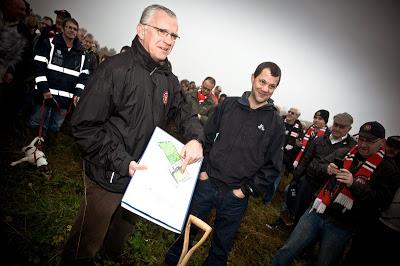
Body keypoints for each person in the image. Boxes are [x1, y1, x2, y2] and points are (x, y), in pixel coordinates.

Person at [61, 4, 204, 264]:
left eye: (173, 35)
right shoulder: (114, 70)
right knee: (84, 244)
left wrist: (195, 137)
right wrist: (121, 162)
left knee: (119, 234)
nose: (168, 40)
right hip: (108, 174)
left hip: (143, 179)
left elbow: (184, 109)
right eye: (162, 31)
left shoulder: (167, 77)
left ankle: (112, 255)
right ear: (141, 30)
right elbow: (83, 126)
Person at [165, 61, 285, 266]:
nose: (265, 89)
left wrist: (244, 190)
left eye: (271, 86)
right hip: (207, 184)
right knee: (185, 233)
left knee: (221, 248)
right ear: (252, 78)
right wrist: (203, 172)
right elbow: (206, 137)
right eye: (262, 81)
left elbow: (272, 167)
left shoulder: (275, 123)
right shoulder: (228, 105)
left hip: (235, 197)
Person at [271, 121, 400, 266]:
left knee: (325, 262)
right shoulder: (345, 152)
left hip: (343, 225)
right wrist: (326, 169)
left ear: (382, 142)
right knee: (288, 249)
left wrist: (354, 184)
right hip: (316, 211)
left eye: (369, 141)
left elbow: (381, 202)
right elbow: (314, 166)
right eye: (361, 139)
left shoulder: (389, 169)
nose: (363, 144)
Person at [343, 135, 400, 265]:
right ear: (384, 144)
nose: (392, 149)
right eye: (390, 145)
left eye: (397, 148)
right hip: (371, 219)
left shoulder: (393, 168)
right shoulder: (374, 160)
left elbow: (381, 198)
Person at [292, 112, 357, 223]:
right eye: (336, 124)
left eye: (342, 127)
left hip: (327, 189)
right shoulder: (320, 139)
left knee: (314, 216)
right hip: (309, 182)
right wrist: (296, 178)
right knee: (299, 209)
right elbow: (306, 159)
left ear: (349, 128)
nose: (337, 128)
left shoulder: (352, 147)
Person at [263, 107, 304, 205]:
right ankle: (257, 191)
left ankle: (267, 200)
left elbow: (299, 146)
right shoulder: (279, 120)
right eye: (289, 112)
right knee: (263, 174)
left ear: (297, 116)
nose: (289, 114)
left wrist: (298, 146)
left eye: (293, 113)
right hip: (270, 154)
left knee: (275, 181)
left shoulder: (299, 129)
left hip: (284, 159)